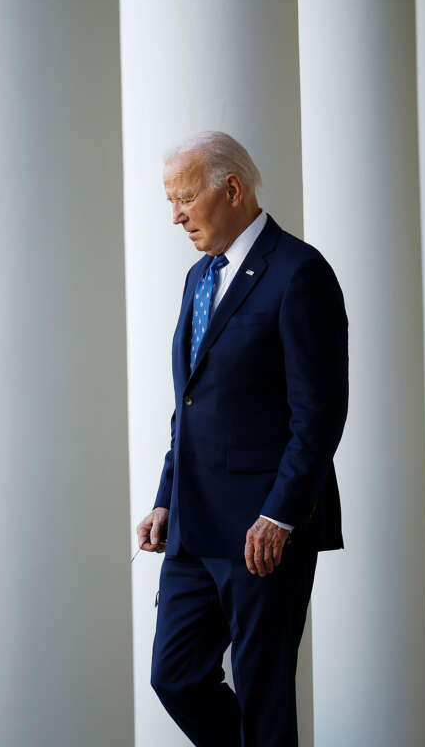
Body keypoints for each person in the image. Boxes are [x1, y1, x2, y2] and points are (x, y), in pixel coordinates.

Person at [135, 131, 348, 746]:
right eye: (169, 201)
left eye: (183, 198)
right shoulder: (198, 279)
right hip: (192, 524)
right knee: (174, 676)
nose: (175, 215)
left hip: (264, 534)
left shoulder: (300, 273)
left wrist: (279, 516)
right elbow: (191, 408)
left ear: (231, 188)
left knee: (263, 694)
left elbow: (320, 413)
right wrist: (164, 498)